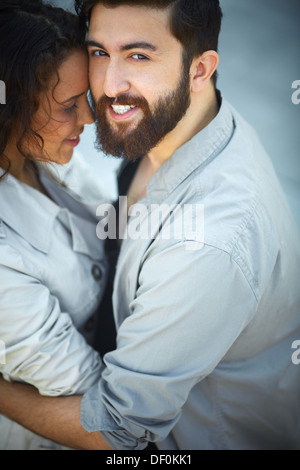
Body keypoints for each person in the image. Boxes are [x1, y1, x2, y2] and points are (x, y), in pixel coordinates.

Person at [0, 0, 300, 450]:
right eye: (99, 51)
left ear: (200, 70)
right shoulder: (173, 121)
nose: (106, 87)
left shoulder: (207, 242)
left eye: (139, 55)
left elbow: (120, 432)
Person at [0, 0, 112, 450]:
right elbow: (108, 427)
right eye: (69, 104)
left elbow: (110, 220)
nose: (89, 117)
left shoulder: (45, 151)